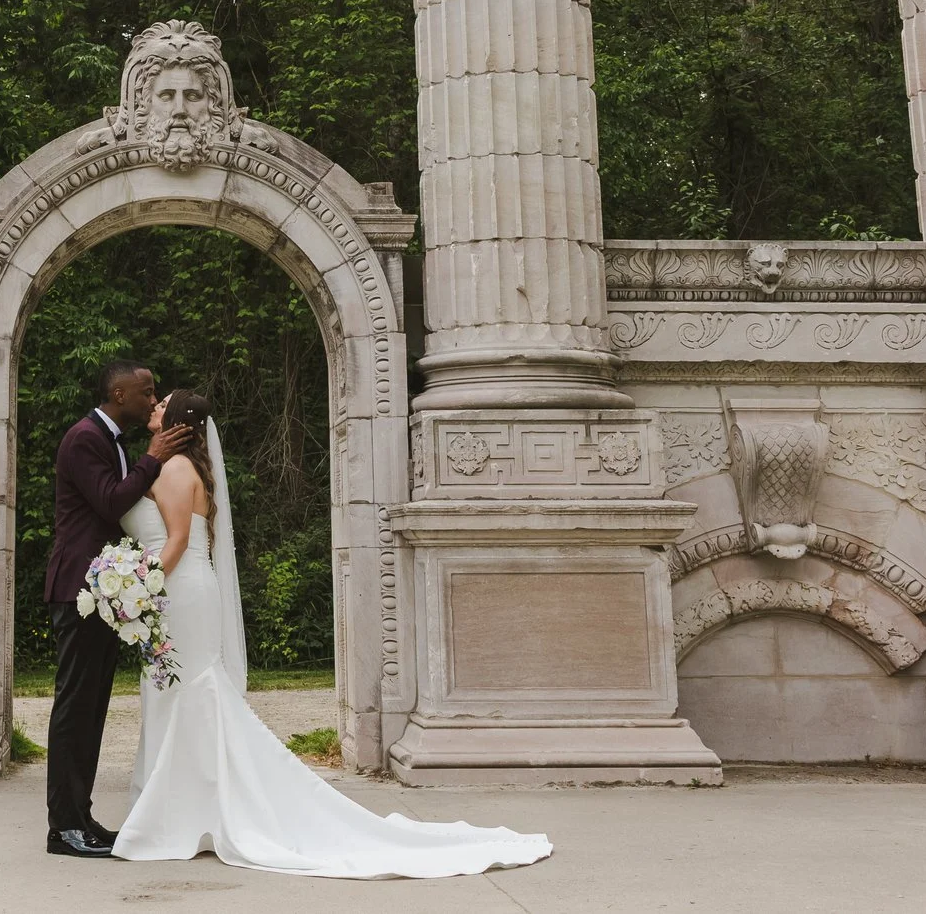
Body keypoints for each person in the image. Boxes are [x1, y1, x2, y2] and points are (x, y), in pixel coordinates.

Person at [110, 391, 552, 878]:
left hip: (179, 591)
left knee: (187, 691)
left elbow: (174, 542)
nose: (152, 408)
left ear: (174, 421)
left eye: (162, 404)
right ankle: (189, 808)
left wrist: (139, 589)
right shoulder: (178, 468)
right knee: (179, 692)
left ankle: (183, 813)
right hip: (182, 589)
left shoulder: (174, 472)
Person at [42, 359, 195, 858]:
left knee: (93, 710)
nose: (153, 400)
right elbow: (109, 503)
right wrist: (152, 456)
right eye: (146, 392)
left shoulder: (112, 441)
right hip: (78, 591)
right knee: (75, 708)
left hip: (105, 594)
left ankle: (82, 818)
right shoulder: (84, 438)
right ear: (119, 393)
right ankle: (63, 826)